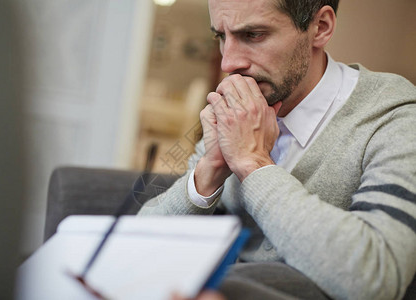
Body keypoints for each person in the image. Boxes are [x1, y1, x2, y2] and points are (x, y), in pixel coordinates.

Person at [139, 0, 416, 299]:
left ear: (320, 27)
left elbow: (375, 279)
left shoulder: (395, 117)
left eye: (254, 35)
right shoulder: (238, 109)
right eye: (221, 36)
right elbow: (133, 247)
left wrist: (253, 163)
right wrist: (210, 169)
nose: (228, 63)